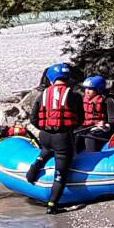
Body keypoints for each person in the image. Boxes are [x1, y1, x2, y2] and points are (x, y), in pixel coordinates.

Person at [23, 63, 83, 213]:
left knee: (46, 151)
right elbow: (80, 119)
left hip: (45, 136)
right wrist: (69, 128)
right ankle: (52, 206)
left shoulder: (43, 95)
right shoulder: (74, 95)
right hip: (63, 137)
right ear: (68, 78)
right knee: (61, 173)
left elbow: (33, 118)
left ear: (51, 79)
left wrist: (45, 128)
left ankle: (32, 173)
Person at [76, 75, 114, 152]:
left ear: (98, 89)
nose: (87, 91)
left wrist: (106, 125)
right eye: (86, 88)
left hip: (104, 129)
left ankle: (92, 157)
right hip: (87, 127)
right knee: (75, 135)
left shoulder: (108, 100)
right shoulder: (84, 99)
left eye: (90, 89)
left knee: (90, 137)